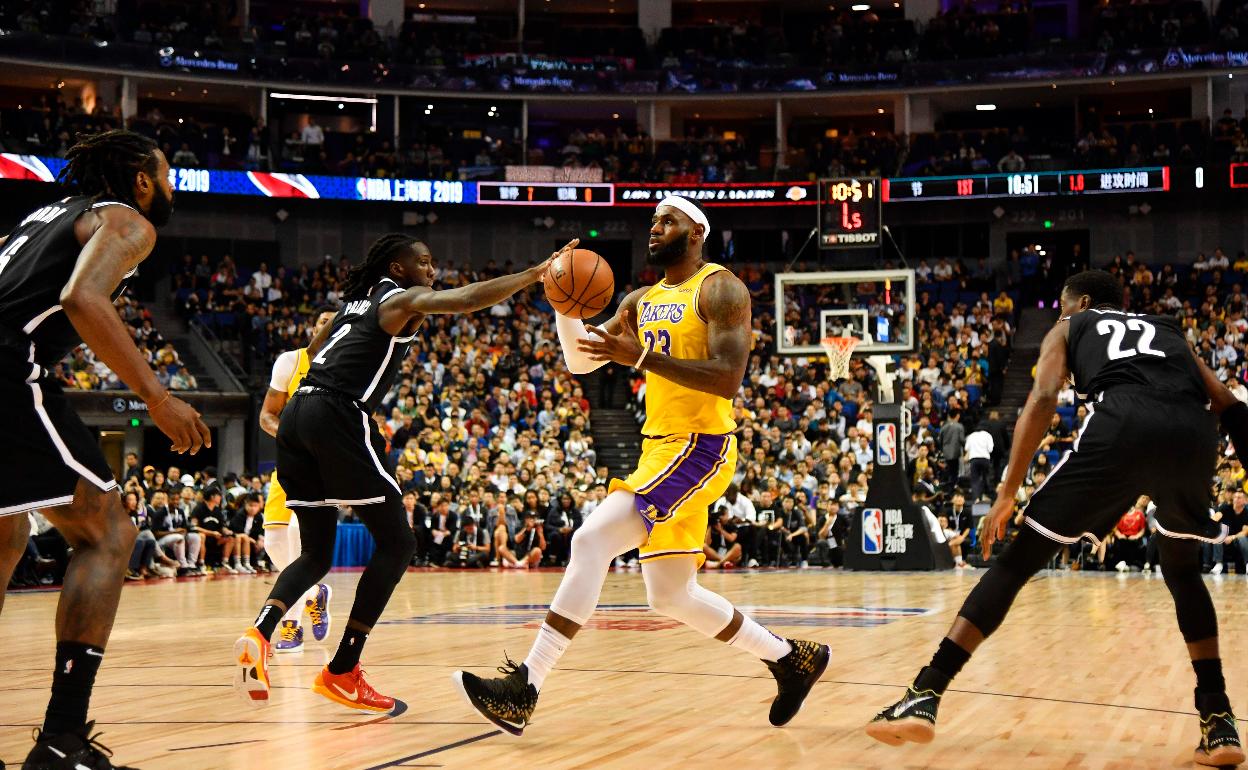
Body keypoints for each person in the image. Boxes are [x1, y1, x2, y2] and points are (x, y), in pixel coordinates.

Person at [454, 196, 829, 736]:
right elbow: (584, 359)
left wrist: (644, 358)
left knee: (591, 540)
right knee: (671, 594)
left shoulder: (720, 288)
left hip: (700, 444)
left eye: (667, 220)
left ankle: (524, 687)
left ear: (696, 231)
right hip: (660, 447)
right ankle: (792, 658)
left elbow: (727, 377)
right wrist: (565, 304)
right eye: (652, 220)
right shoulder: (640, 299)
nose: (655, 228)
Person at [867, 270, 1245, 767]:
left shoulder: (1071, 326)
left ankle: (924, 693)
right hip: (1193, 435)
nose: (1059, 312)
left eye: (1063, 305)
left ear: (1082, 302)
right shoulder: (1168, 328)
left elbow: (1043, 398)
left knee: (1015, 563)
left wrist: (1006, 494)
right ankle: (1218, 722)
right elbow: (1226, 402)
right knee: (1182, 571)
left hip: (1122, 423)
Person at [233, 233, 559, 713]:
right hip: (337, 412)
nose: (431, 271)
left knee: (315, 553)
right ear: (397, 267)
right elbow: (466, 299)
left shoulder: (353, 303)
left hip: (297, 414)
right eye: (423, 263)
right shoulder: (396, 298)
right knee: (398, 543)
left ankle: (258, 633)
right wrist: (532, 275)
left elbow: (318, 344)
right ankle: (342, 669)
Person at [0, 130, 209, 770]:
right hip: (8, 369)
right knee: (108, 532)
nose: (171, 185)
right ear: (141, 181)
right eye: (167, 172)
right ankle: (62, 739)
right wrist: (156, 398)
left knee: (5, 536)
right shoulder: (128, 220)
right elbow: (81, 297)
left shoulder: (39, 216)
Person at [258, 306, 337, 653]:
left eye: (333, 322)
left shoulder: (347, 366)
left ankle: (291, 627)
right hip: (290, 461)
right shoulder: (290, 361)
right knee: (274, 542)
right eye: (321, 320)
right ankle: (315, 592)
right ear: (312, 326)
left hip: (325, 465)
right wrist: (291, 436)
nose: (326, 325)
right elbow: (266, 415)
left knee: (297, 538)